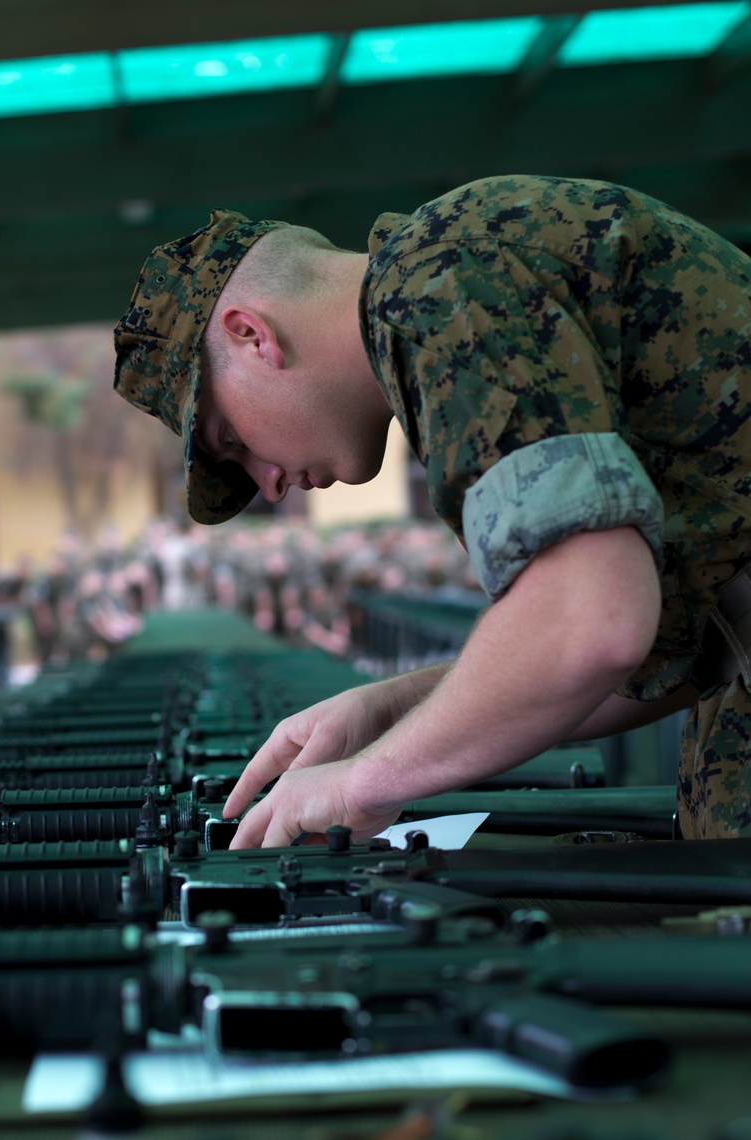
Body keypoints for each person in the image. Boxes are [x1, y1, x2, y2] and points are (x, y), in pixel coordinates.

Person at [113, 176, 751, 845]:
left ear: (251, 335)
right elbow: (656, 656)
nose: (267, 486)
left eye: (233, 441)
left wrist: (362, 781)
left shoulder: (434, 284)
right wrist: (387, 710)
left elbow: (590, 629)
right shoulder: (444, 284)